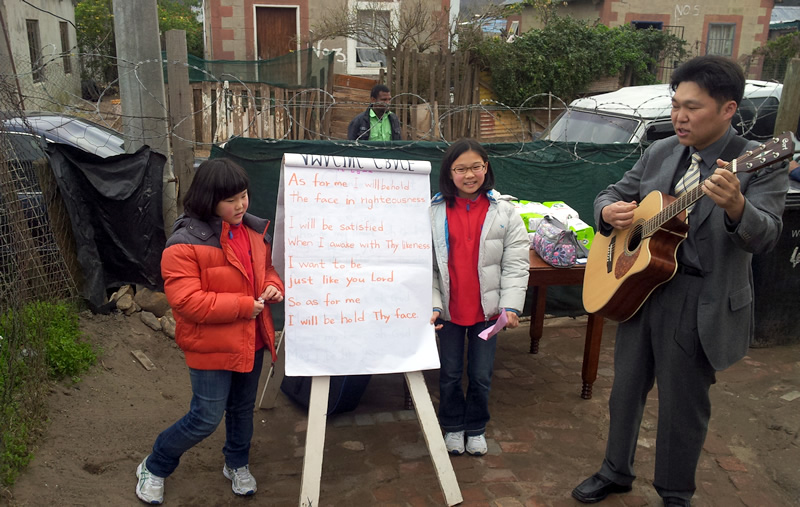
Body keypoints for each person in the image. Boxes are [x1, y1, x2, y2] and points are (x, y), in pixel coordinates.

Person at [572, 56, 788, 506]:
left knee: (682, 405)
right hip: (639, 290)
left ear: (728, 109)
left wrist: (737, 208)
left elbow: (767, 236)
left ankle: (674, 492)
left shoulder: (758, 163)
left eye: (692, 107)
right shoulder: (662, 151)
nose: (680, 117)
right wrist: (607, 212)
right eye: (675, 106)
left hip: (699, 298)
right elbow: (613, 193)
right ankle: (615, 470)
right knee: (625, 391)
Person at [135, 159, 285, 504]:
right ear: (208, 199)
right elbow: (187, 302)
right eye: (231, 200)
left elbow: (268, 270)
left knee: (242, 409)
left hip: (252, 341)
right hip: (211, 346)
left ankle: (237, 463)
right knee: (205, 417)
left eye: (244, 195)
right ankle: (155, 465)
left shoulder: (254, 231)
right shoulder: (183, 244)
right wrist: (243, 306)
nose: (241, 205)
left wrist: (273, 286)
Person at [429, 138, 530, 456]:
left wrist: (510, 305)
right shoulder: (433, 213)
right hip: (449, 312)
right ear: (449, 172)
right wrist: (433, 304)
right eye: (460, 169)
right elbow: (428, 267)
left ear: (486, 168)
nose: (469, 175)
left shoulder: (505, 212)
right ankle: (452, 426)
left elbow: (516, 263)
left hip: (488, 314)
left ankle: (475, 428)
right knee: (449, 374)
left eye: (476, 166)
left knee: (481, 375)